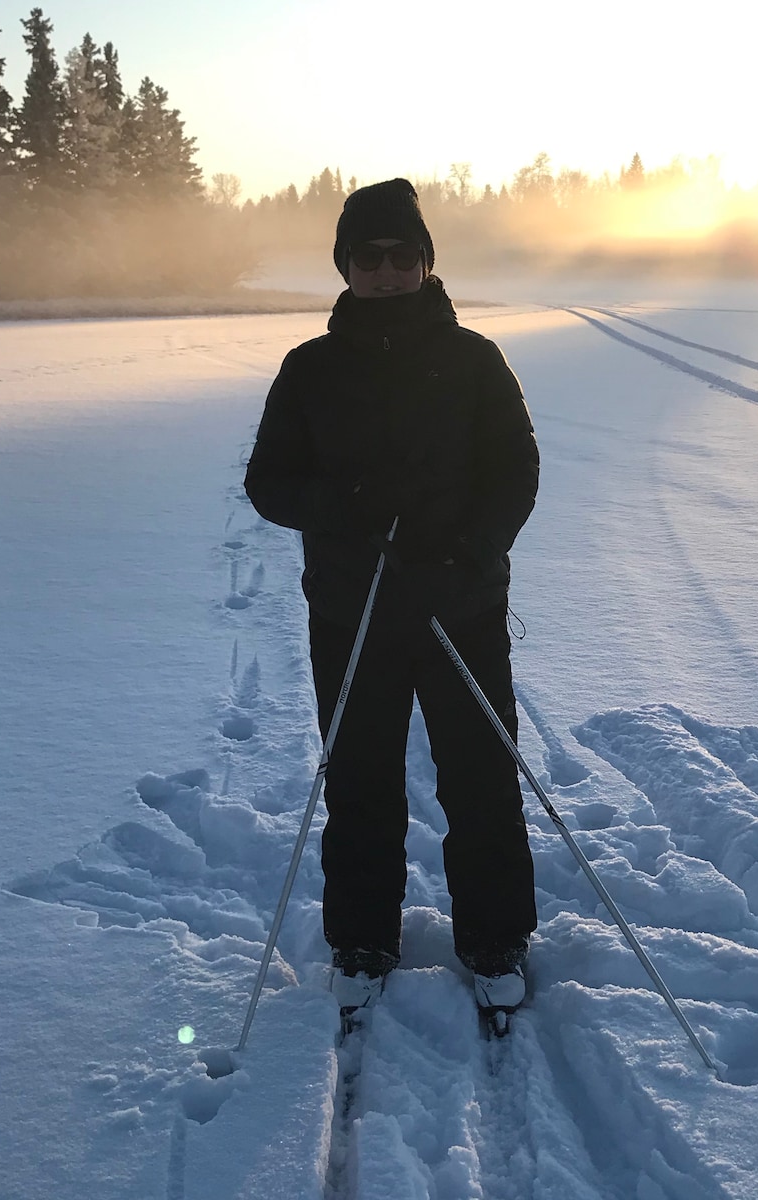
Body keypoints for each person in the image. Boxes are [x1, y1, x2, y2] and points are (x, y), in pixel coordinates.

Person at [243, 178, 539, 1020]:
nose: (386, 270)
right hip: (354, 609)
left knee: (482, 774)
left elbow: (516, 470)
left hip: (461, 605)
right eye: (368, 257)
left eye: (402, 255)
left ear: (425, 262)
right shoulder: (310, 369)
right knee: (362, 776)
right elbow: (269, 482)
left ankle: (495, 935)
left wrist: (464, 553)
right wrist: (348, 509)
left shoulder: (475, 359)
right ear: (345, 267)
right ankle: (363, 938)